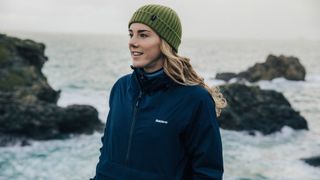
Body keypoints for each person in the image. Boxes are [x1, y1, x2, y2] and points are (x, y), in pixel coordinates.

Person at [91, 4, 227, 180]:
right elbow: (107, 149)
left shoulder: (196, 99)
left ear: (165, 42)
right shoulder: (121, 88)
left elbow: (208, 172)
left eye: (143, 35)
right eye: (131, 34)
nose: (132, 42)